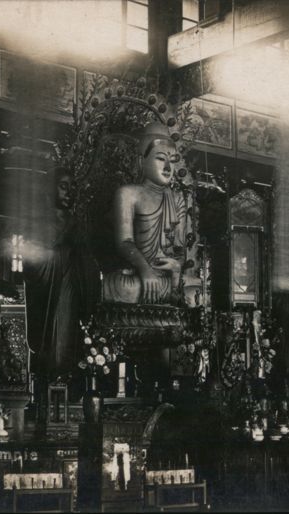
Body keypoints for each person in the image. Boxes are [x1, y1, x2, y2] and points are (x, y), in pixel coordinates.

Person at [101, 122, 188, 305]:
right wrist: (145, 270)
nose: (168, 167)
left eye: (172, 161)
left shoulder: (178, 199)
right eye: (160, 158)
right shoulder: (128, 194)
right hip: (138, 278)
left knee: (193, 291)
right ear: (142, 161)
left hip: (167, 280)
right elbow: (124, 242)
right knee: (120, 286)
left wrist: (176, 269)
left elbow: (179, 250)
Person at [24, 169, 97, 377]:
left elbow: (89, 260)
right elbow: (33, 262)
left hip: (74, 291)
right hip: (49, 293)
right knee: (53, 342)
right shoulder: (39, 222)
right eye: (64, 187)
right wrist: (63, 253)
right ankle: (49, 376)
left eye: (73, 188)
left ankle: (69, 376)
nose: (69, 192)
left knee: (70, 337)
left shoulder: (77, 223)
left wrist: (82, 261)